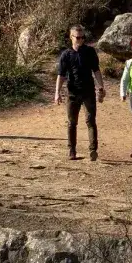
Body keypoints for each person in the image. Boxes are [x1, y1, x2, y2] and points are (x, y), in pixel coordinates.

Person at [54, 25, 106, 161]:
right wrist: (57, 93)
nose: (81, 40)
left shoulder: (90, 52)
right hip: (72, 92)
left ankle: (93, 150)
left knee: (90, 121)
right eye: (78, 37)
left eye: (83, 37)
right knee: (72, 122)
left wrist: (101, 87)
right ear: (71, 37)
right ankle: (72, 150)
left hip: (88, 91)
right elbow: (61, 75)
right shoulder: (66, 55)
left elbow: (96, 70)